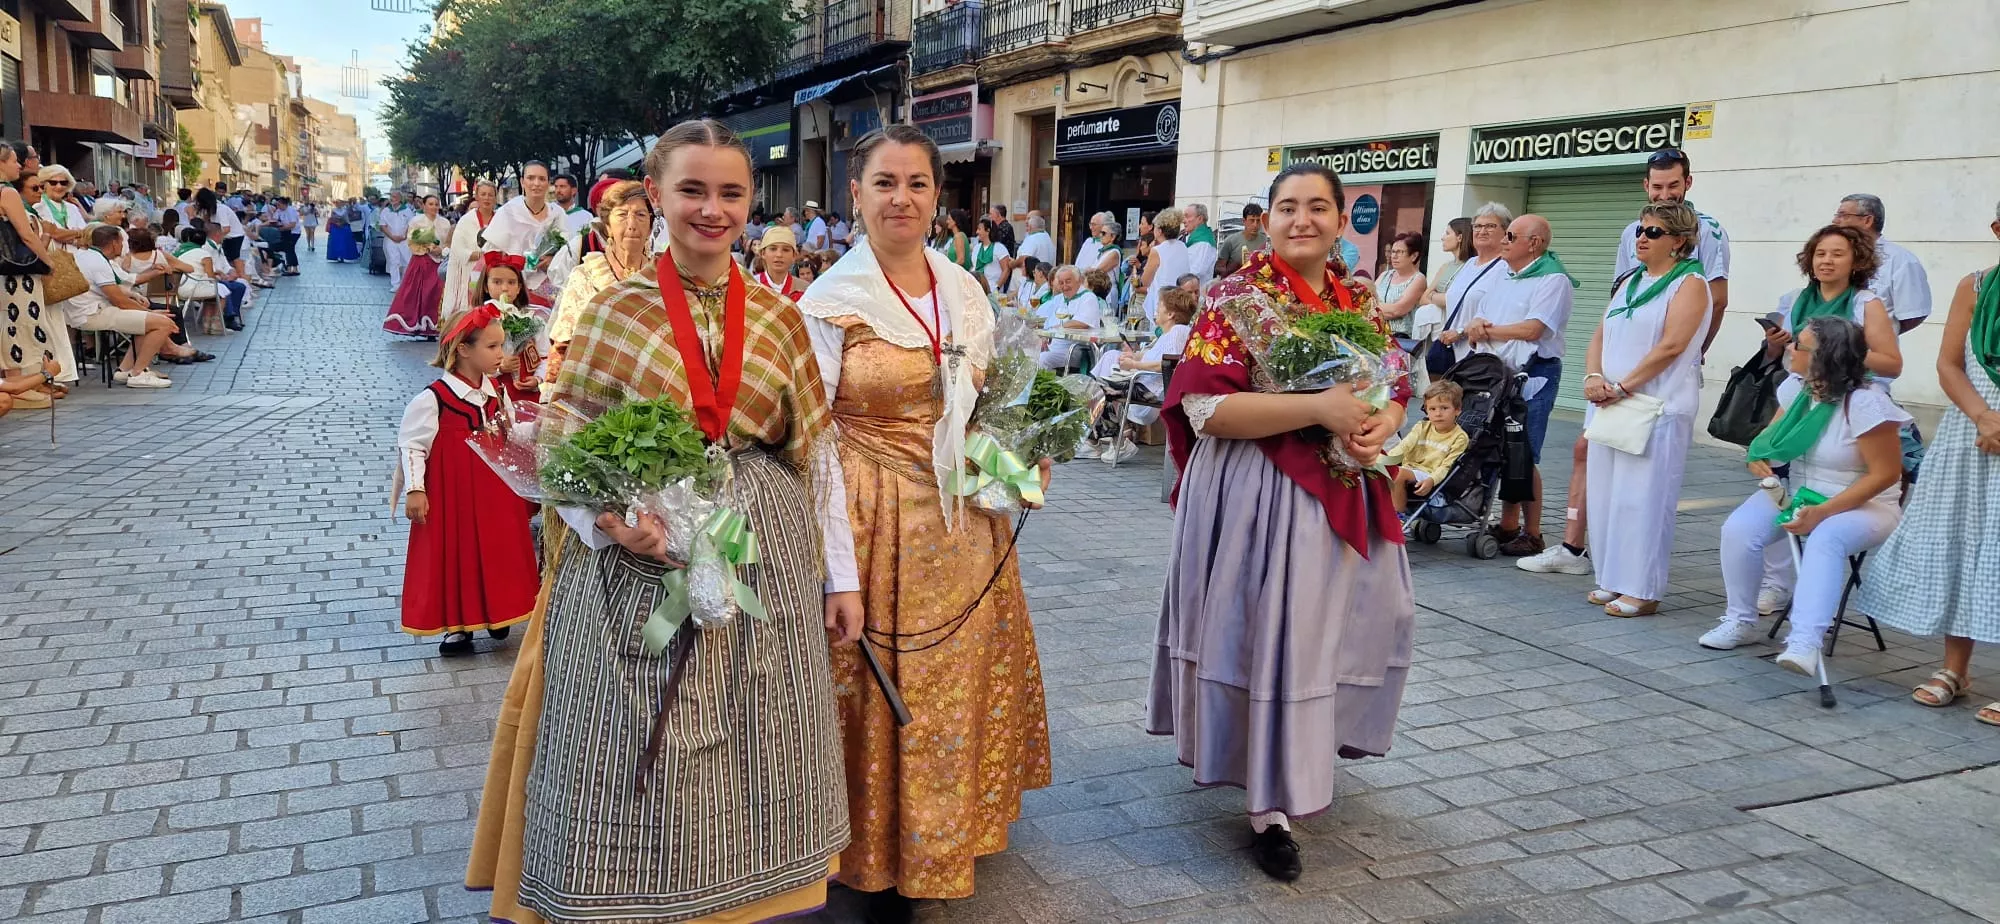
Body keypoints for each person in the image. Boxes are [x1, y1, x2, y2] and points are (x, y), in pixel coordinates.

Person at [469, 119, 861, 924]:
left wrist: (841, 578)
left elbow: (815, 461)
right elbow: (565, 446)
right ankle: (637, 896)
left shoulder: (784, 319)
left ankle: (750, 896)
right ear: (656, 195)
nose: (711, 210)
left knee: (759, 729)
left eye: (730, 193)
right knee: (635, 734)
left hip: (764, 560)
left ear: (751, 202)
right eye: (692, 190)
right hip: (634, 567)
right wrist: (610, 520)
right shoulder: (615, 311)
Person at [795, 124, 1051, 923]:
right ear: (856, 195)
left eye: (917, 183)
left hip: (958, 525)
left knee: (951, 686)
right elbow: (814, 443)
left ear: (939, 197)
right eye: (884, 182)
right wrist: (837, 570)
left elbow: (978, 414)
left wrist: (1020, 461)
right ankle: (873, 852)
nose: (901, 198)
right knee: (878, 689)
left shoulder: (964, 290)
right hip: (868, 517)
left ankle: (942, 835)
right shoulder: (829, 302)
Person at [1153, 161, 1413, 883]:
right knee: (1271, 631)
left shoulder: (1358, 296)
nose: (1304, 219)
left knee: (1344, 625)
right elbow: (1207, 412)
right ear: (1264, 221)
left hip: (1343, 483)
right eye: (1289, 207)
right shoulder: (1234, 297)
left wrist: (1380, 421)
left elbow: (1393, 380)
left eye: (1319, 207)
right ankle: (1268, 807)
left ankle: (1305, 752)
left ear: (1339, 221)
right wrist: (1319, 408)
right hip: (1258, 489)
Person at [1522, 150, 1737, 575]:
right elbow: (1619, 299)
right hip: (1616, 374)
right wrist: (1596, 371)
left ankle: (1629, 575)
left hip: (1654, 381)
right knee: (1590, 452)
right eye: (1657, 187)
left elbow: (1715, 300)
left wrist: (1694, 353)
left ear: (1688, 184)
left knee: (1639, 478)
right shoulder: (1631, 233)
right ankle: (1577, 549)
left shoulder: (1707, 232)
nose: (1665, 194)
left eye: (1673, 186)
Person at [1855, 200, 2000, 724]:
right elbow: (1949, 362)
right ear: (1997, 228)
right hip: (1971, 427)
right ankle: (1954, 669)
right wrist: (1984, 416)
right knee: (1960, 540)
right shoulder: (1977, 285)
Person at [1703, 316, 1908, 677]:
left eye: (1799, 345)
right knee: (1739, 528)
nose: (1790, 349)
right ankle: (1741, 621)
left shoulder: (1866, 403)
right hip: (1801, 491)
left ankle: (1805, 642)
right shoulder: (1797, 390)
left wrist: (1825, 511)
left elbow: (1886, 474)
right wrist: (1758, 456)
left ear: (1825, 357)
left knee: (1826, 537)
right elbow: (1772, 435)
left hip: (1867, 503)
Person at [1580, 203, 1713, 617]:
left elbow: (1672, 346)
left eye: (1654, 232)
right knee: (1608, 495)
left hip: (1657, 405)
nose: (1642, 237)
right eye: (1641, 229)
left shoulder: (1690, 284)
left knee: (1645, 499)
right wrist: (1592, 376)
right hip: (1613, 402)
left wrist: (1623, 386)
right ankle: (1613, 577)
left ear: (1679, 241)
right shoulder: (1630, 280)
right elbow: (1601, 331)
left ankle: (1643, 588)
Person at [396, 302, 537, 656]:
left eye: (501, 345)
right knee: (455, 554)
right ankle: (457, 628)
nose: (500, 354)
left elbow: (510, 429)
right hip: (453, 495)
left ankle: (498, 611)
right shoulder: (434, 399)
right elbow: (412, 445)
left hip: (495, 493)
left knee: (497, 550)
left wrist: (540, 426)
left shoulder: (495, 393)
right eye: (491, 347)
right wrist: (415, 489)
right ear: (462, 350)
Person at [1446, 214, 1576, 556]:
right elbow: (1483, 314)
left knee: (1524, 451)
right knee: (1496, 446)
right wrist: (1475, 326)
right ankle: (1507, 524)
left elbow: (1534, 329)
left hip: (1534, 372)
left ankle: (1532, 532)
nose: (1503, 241)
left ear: (1533, 243)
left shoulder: (1552, 279)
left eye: (1510, 236)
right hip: (1497, 371)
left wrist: (1487, 331)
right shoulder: (1505, 274)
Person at [546, 180, 652, 386]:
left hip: (651, 389)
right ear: (607, 226)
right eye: (622, 215)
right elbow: (563, 346)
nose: (631, 224)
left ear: (650, 227)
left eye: (640, 215)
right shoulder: (586, 276)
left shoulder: (662, 276)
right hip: (595, 387)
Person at [67, 225, 179, 389]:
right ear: (114, 243)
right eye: (122, 241)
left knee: (149, 323)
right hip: (93, 313)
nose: (124, 246)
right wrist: (151, 312)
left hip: (88, 310)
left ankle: (125, 370)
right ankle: (138, 374)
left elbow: (119, 290)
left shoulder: (85, 255)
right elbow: (119, 300)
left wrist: (144, 309)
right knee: (163, 323)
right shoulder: (98, 262)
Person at [1092, 286, 1194, 462]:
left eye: (1160, 305)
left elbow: (1168, 363)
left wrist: (1135, 364)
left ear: (1170, 314)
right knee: (1104, 375)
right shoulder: (1169, 334)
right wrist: (1134, 357)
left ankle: (1114, 440)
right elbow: (1158, 357)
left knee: (1103, 387)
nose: (1156, 309)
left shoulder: (1178, 332)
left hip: (1153, 390)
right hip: (1145, 384)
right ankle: (1101, 438)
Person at [0, 140, 61, 408]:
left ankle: (24, 380)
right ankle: (22, 380)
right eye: (14, 160)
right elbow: (25, 233)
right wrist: (47, 261)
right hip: (17, 271)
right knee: (22, 321)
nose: (18, 165)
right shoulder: (7, 192)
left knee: (12, 322)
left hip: (5, 271)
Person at [1833, 193, 1931, 333]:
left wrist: (1880, 336)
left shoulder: (1901, 261)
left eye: (1843, 215)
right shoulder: (1834, 255)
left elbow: (1913, 314)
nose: (1835, 221)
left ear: (1867, 221)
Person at [485, 163, 568, 300]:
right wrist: (515, 264)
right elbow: (492, 254)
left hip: (548, 284)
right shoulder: (508, 212)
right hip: (512, 286)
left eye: (542, 179)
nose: (536, 183)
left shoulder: (557, 214)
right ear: (522, 182)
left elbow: (567, 250)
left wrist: (552, 260)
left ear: (548, 183)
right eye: (531, 178)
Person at [1388, 380, 1470, 511]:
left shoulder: (1459, 437)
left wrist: (1432, 479)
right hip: (1410, 468)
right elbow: (1404, 446)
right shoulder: (1422, 426)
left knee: (1398, 474)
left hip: (1431, 473)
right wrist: (1385, 460)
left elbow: (1447, 466)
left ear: (1457, 410)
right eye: (1432, 409)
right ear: (1426, 410)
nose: (1438, 413)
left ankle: (1399, 515)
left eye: (1444, 408)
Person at [384, 195, 454, 338]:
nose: (434, 207)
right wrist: (428, 247)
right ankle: (416, 325)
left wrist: (443, 250)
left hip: (439, 262)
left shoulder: (445, 223)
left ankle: (433, 327)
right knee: (418, 293)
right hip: (422, 262)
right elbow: (412, 240)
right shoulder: (416, 221)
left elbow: (448, 241)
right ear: (423, 205)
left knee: (436, 294)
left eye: (436, 204)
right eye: (430, 204)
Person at [175, 218, 250, 335]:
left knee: (238, 286)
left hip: (185, 285)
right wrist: (221, 276)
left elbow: (221, 266)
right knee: (222, 289)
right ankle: (220, 321)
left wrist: (229, 273)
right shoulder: (204, 252)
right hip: (196, 285)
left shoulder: (183, 252)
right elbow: (210, 275)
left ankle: (225, 317)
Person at [443, 180, 499, 315]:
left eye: (490, 195)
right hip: (470, 273)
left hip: (495, 273)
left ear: (495, 198)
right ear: (477, 197)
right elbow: (457, 251)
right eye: (483, 194)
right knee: (471, 310)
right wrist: (481, 256)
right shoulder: (466, 221)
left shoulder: (501, 219)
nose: (487, 198)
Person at [1035, 264, 1100, 370]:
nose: (1064, 286)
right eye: (1061, 283)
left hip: (1077, 351)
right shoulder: (1059, 299)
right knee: (1025, 354)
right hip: (1053, 348)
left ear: (1078, 280)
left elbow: (1081, 323)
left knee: (1042, 359)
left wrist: (1056, 328)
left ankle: (1048, 385)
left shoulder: (1088, 297)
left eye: (1068, 281)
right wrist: (1044, 337)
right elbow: (1047, 324)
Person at [1141, 208, 1191, 325]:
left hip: (1162, 299)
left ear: (1159, 231)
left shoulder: (1157, 250)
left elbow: (1145, 281)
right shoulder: (1182, 246)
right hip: (1179, 298)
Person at [32, 165, 87, 252]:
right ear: (43, 184)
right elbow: (55, 234)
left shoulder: (72, 208)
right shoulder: (37, 206)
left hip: (76, 260)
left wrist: (65, 235)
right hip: (52, 259)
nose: (59, 186)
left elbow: (87, 237)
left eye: (63, 183)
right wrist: (77, 234)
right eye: (53, 182)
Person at [752, 224, 805, 300]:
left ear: (794, 255)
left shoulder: (804, 289)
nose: (779, 255)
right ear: (763, 253)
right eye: (773, 249)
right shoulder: (750, 286)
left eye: (786, 250)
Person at [377, 190, 415, 290]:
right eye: (391, 196)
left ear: (399, 198)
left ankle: (405, 283)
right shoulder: (386, 211)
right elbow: (382, 226)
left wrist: (404, 236)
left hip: (404, 240)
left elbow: (411, 224)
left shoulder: (407, 210)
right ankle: (395, 284)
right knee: (394, 261)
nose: (392, 199)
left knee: (407, 261)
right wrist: (392, 236)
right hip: (390, 240)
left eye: (394, 197)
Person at [1216, 202, 1267, 278]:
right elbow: (1218, 268)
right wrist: (1233, 269)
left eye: (1258, 221)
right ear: (1244, 221)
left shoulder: (1266, 241)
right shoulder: (1231, 241)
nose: (1255, 225)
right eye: (1252, 220)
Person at [972, 215, 1011, 294]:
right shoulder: (976, 248)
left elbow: (1006, 270)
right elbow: (974, 267)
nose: (977, 232)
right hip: (976, 288)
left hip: (993, 289)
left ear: (988, 230)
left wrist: (997, 287)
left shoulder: (1000, 248)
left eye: (979, 229)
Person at [1182, 202, 1217, 285]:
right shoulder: (1187, 236)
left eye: (1187, 217)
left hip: (1196, 291)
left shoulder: (1204, 242)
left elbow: (1196, 271)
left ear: (1200, 219)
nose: (1183, 221)